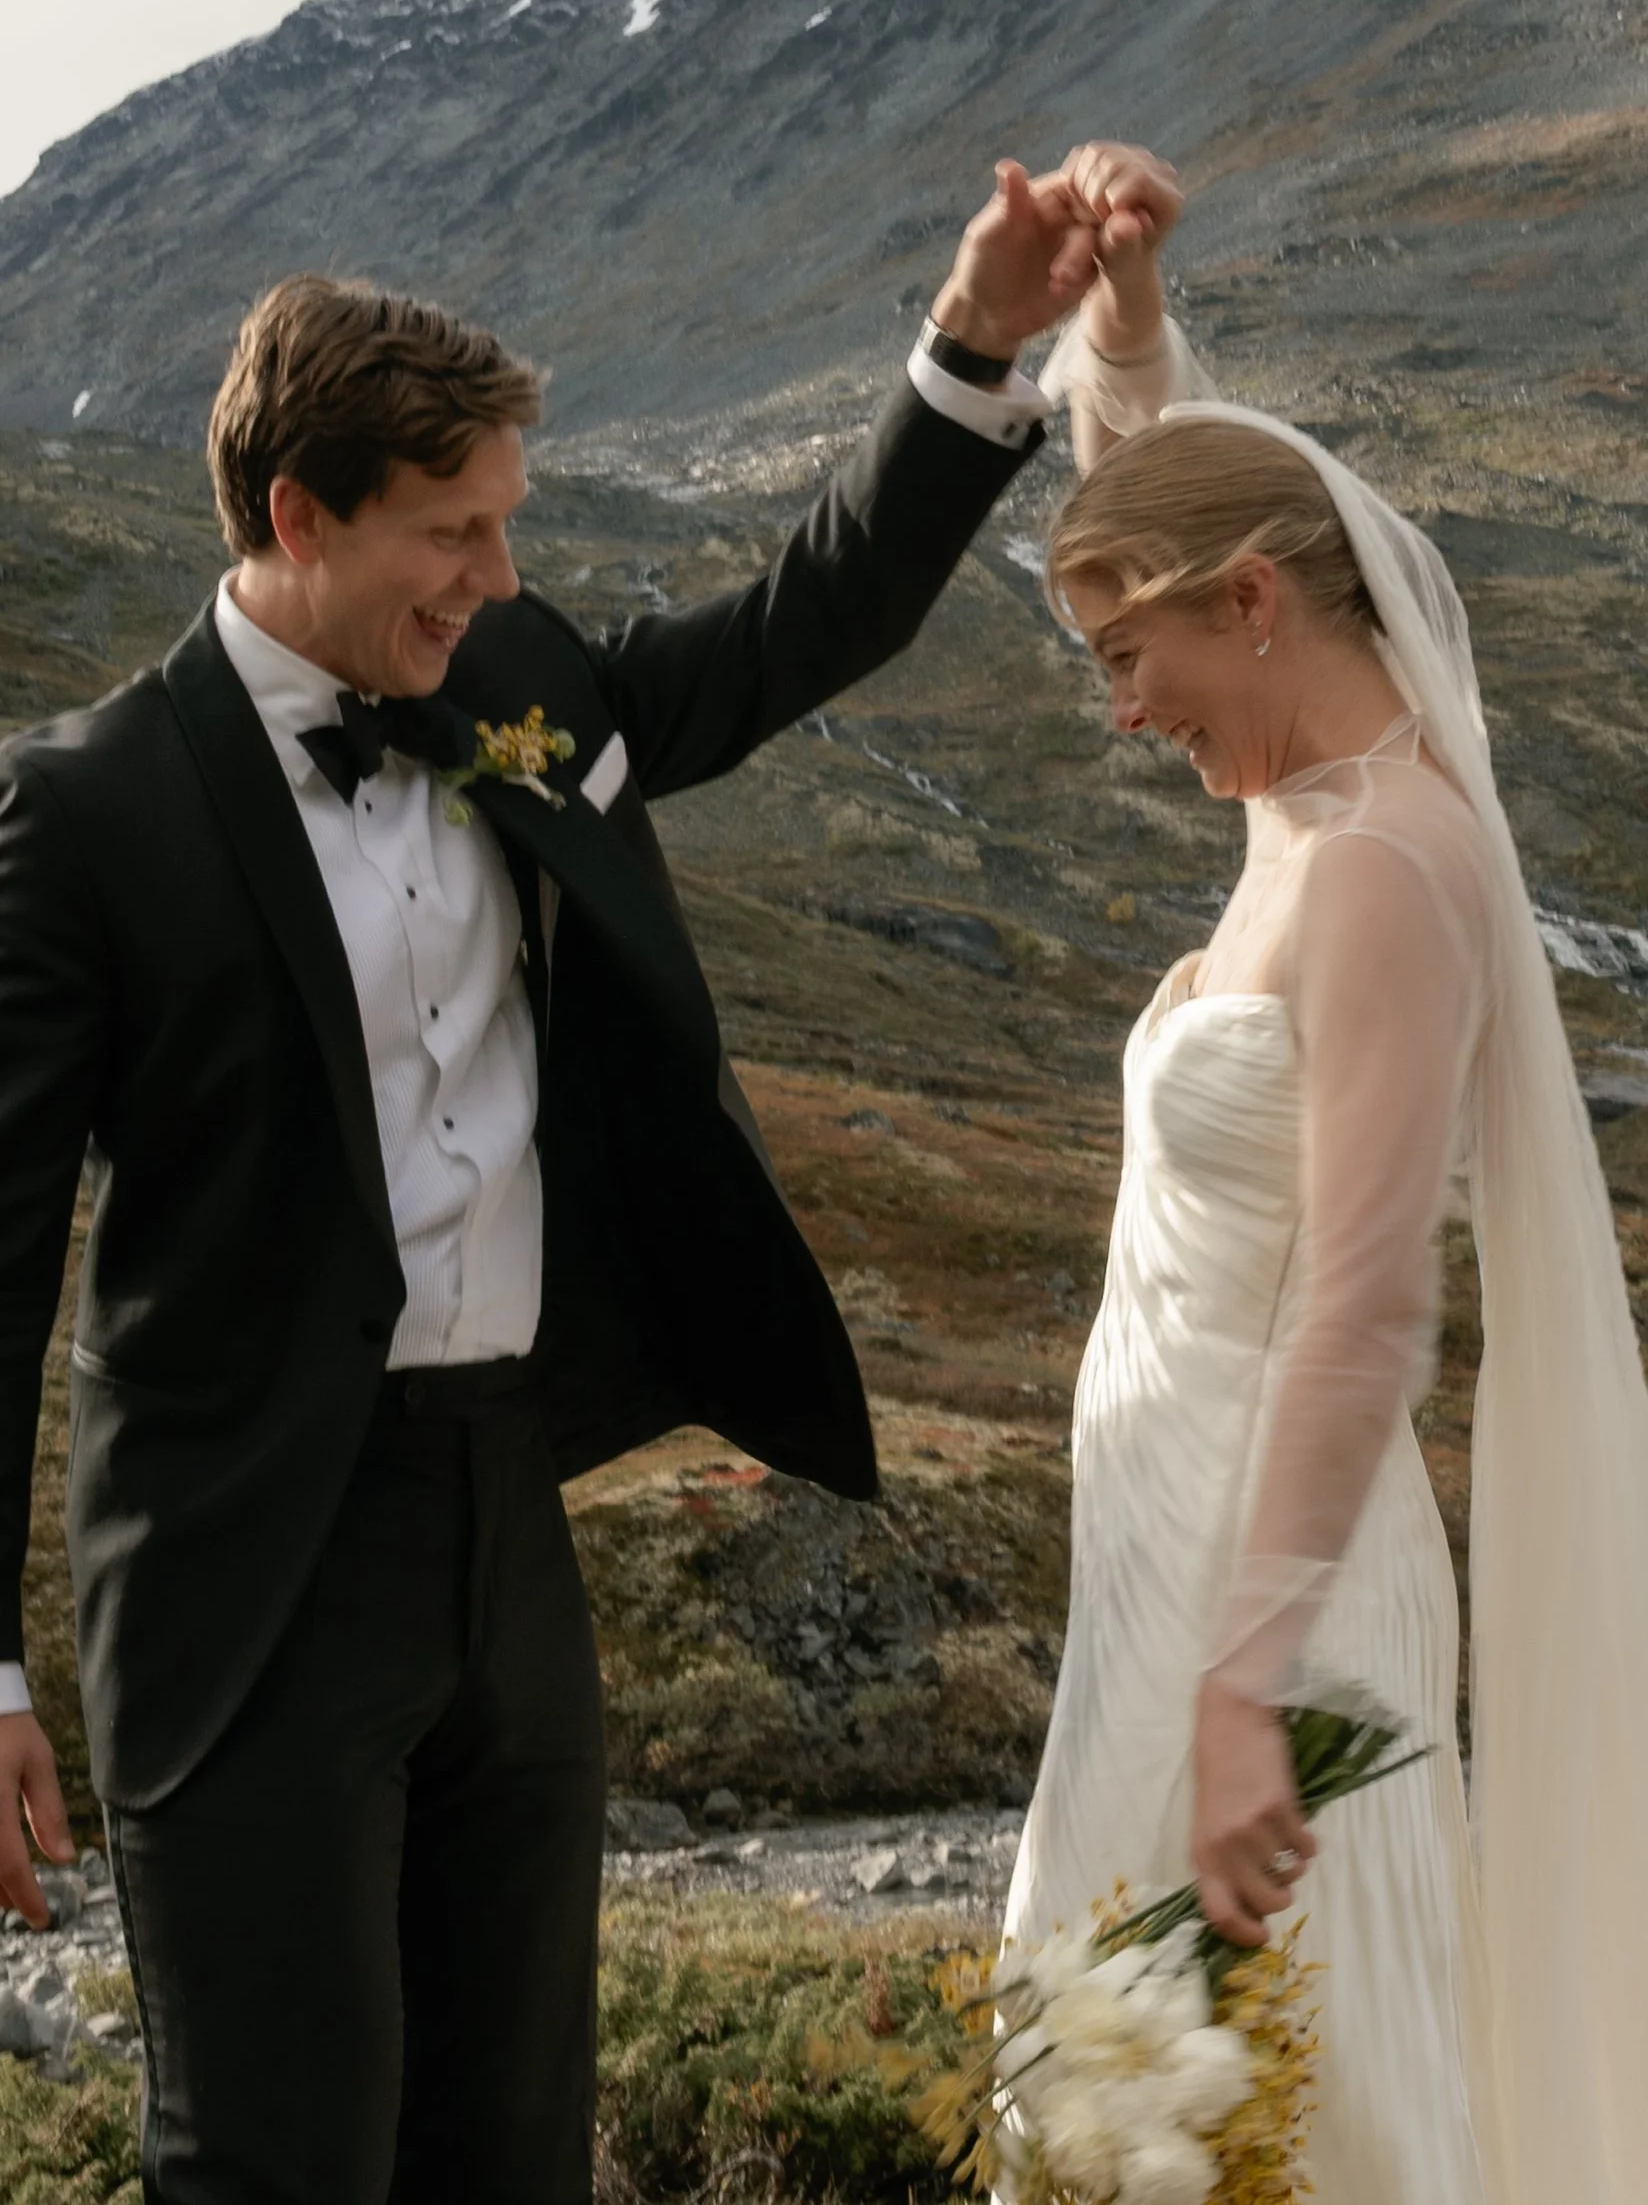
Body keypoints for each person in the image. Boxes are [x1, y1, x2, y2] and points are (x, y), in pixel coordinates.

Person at [0, 150, 1180, 2204]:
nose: (486, 574)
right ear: (297, 513)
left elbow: (810, 614)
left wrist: (979, 338)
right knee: (274, 2158)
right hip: (240, 1569)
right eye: (448, 533)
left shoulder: (518, 677)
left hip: (504, 1523)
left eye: (504, 529)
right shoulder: (83, 811)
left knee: (512, 2151)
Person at [994, 146, 1648, 2202]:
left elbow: (1364, 1303)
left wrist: (1242, 1694)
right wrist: (1120, 322)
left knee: (1289, 2100)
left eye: (1126, 663)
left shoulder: (1378, 866)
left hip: (1261, 1599)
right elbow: (1163, 502)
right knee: (1129, 2102)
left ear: (1257, 605)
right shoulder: (1306, 790)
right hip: (1169, 1561)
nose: (1120, 715)